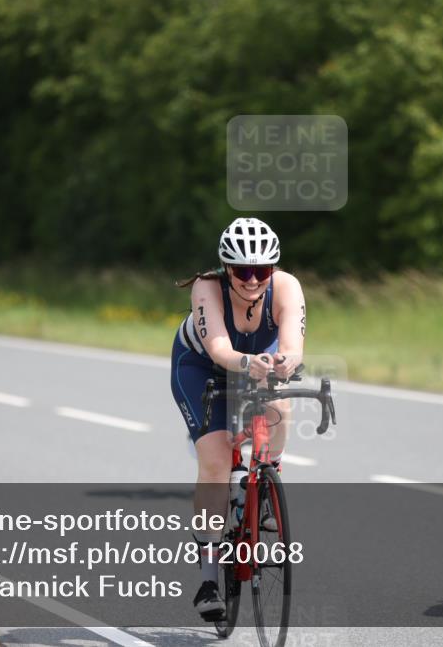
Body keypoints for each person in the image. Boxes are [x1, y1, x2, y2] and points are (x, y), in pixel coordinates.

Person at [171, 218, 306, 620]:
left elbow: (294, 346)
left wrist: (285, 363)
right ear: (226, 269)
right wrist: (248, 363)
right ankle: (209, 576)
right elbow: (219, 350)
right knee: (214, 460)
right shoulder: (206, 288)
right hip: (202, 367)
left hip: (260, 363)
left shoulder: (287, 286)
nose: (252, 280)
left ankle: (267, 473)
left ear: (273, 269)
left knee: (280, 408)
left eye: (261, 270)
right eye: (242, 271)